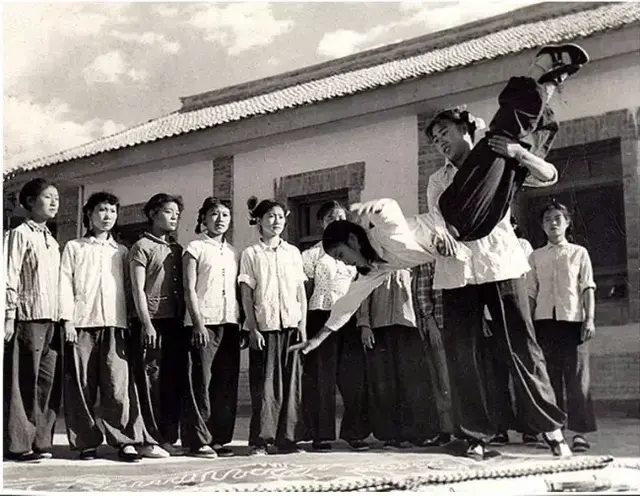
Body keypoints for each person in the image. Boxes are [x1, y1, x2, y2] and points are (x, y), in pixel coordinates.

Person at [431, 43, 589, 242]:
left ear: (464, 129)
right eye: (436, 140)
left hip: (496, 258)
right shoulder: (437, 179)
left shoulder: (499, 150)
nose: (440, 142)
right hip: (463, 238)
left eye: (444, 133)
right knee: (508, 136)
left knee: (511, 144)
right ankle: (546, 80)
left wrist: (518, 153)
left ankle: (545, 78)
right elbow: (434, 219)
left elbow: (549, 176)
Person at [59, 192, 163, 462]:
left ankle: (124, 441)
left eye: (112, 211)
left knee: (118, 385)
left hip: (116, 325)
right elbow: (64, 285)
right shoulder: (74, 247)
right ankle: (86, 442)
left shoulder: (122, 251)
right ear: (89, 214)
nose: (107, 216)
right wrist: (68, 319)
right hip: (82, 325)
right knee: (82, 385)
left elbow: (131, 292)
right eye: (102, 210)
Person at [239, 196, 307, 455]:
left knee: (291, 385)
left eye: (280, 216)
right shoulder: (251, 254)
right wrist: (253, 328)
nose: (276, 221)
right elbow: (246, 295)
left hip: (291, 325)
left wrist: (302, 325)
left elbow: (300, 291)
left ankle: (287, 440)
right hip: (265, 328)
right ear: (259, 221)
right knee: (265, 386)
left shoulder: (293, 253)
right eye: (270, 217)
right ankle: (260, 441)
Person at [528, 201, 597, 453]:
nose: (553, 222)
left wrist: (589, 319)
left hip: (574, 323)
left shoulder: (579, 253)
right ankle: (555, 433)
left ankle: (579, 433)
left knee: (578, 379)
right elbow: (531, 293)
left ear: (567, 223)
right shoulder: (535, 256)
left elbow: (587, 287)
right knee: (550, 380)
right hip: (545, 323)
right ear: (542, 226)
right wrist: (529, 326)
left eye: (558, 218)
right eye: (547, 219)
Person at [4, 178, 62, 462]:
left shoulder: (51, 239)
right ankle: (19, 444)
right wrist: (9, 316)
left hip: (52, 320)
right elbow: (8, 277)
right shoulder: (19, 234)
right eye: (48, 197)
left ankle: (41, 440)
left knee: (46, 383)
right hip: (28, 318)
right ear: (29, 202)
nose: (55, 202)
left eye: (57, 198)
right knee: (23, 381)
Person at [181, 197, 242, 458]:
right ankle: (198, 440)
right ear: (203, 218)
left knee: (225, 383)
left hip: (230, 323)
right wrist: (197, 322)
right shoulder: (194, 248)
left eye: (225, 215)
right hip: (202, 323)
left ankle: (219, 438)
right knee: (200, 383)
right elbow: (189, 289)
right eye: (214, 214)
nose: (220, 220)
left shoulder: (234, 252)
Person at [301, 201, 361, 452]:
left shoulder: (354, 253)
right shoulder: (311, 255)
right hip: (320, 317)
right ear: (321, 223)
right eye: (330, 217)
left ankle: (355, 433)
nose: (336, 221)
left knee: (353, 377)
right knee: (321, 379)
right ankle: (321, 435)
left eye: (340, 217)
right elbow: (304, 292)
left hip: (349, 319)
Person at [128, 193, 186, 457]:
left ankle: (168, 437)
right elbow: (138, 289)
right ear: (153, 214)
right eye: (168, 212)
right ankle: (148, 439)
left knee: (172, 381)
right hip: (151, 323)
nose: (174, 217)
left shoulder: (177, 249)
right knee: (150, 381)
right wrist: (146, 323)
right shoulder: (141, 246)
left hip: (174, 322)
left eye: (177, 213)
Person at [357, 269, 440, 447]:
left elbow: (421, 290)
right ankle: (390, 434)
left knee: (412, 383)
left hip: (410, 326)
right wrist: (364, 324)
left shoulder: (412, 260)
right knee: (384, 383)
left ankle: (416, 433)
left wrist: (427, 322)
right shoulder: (374, 262)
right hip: (380, 327)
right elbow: (363, 292)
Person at [483, 216, 543, 448]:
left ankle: (531, 429)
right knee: (497, 376)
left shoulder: (523, 246)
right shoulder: (485, 247)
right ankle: (501, 429)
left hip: (517, 316)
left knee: (524, 370)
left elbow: (528, 285)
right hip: (492, 318)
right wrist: (483, 316)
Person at [411, 262, 453, 447]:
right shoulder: (429, 260)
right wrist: (431, 322)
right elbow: (422, 293)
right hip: (440, 325)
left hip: (462, 325)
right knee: (443, 381)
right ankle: (447, 430)